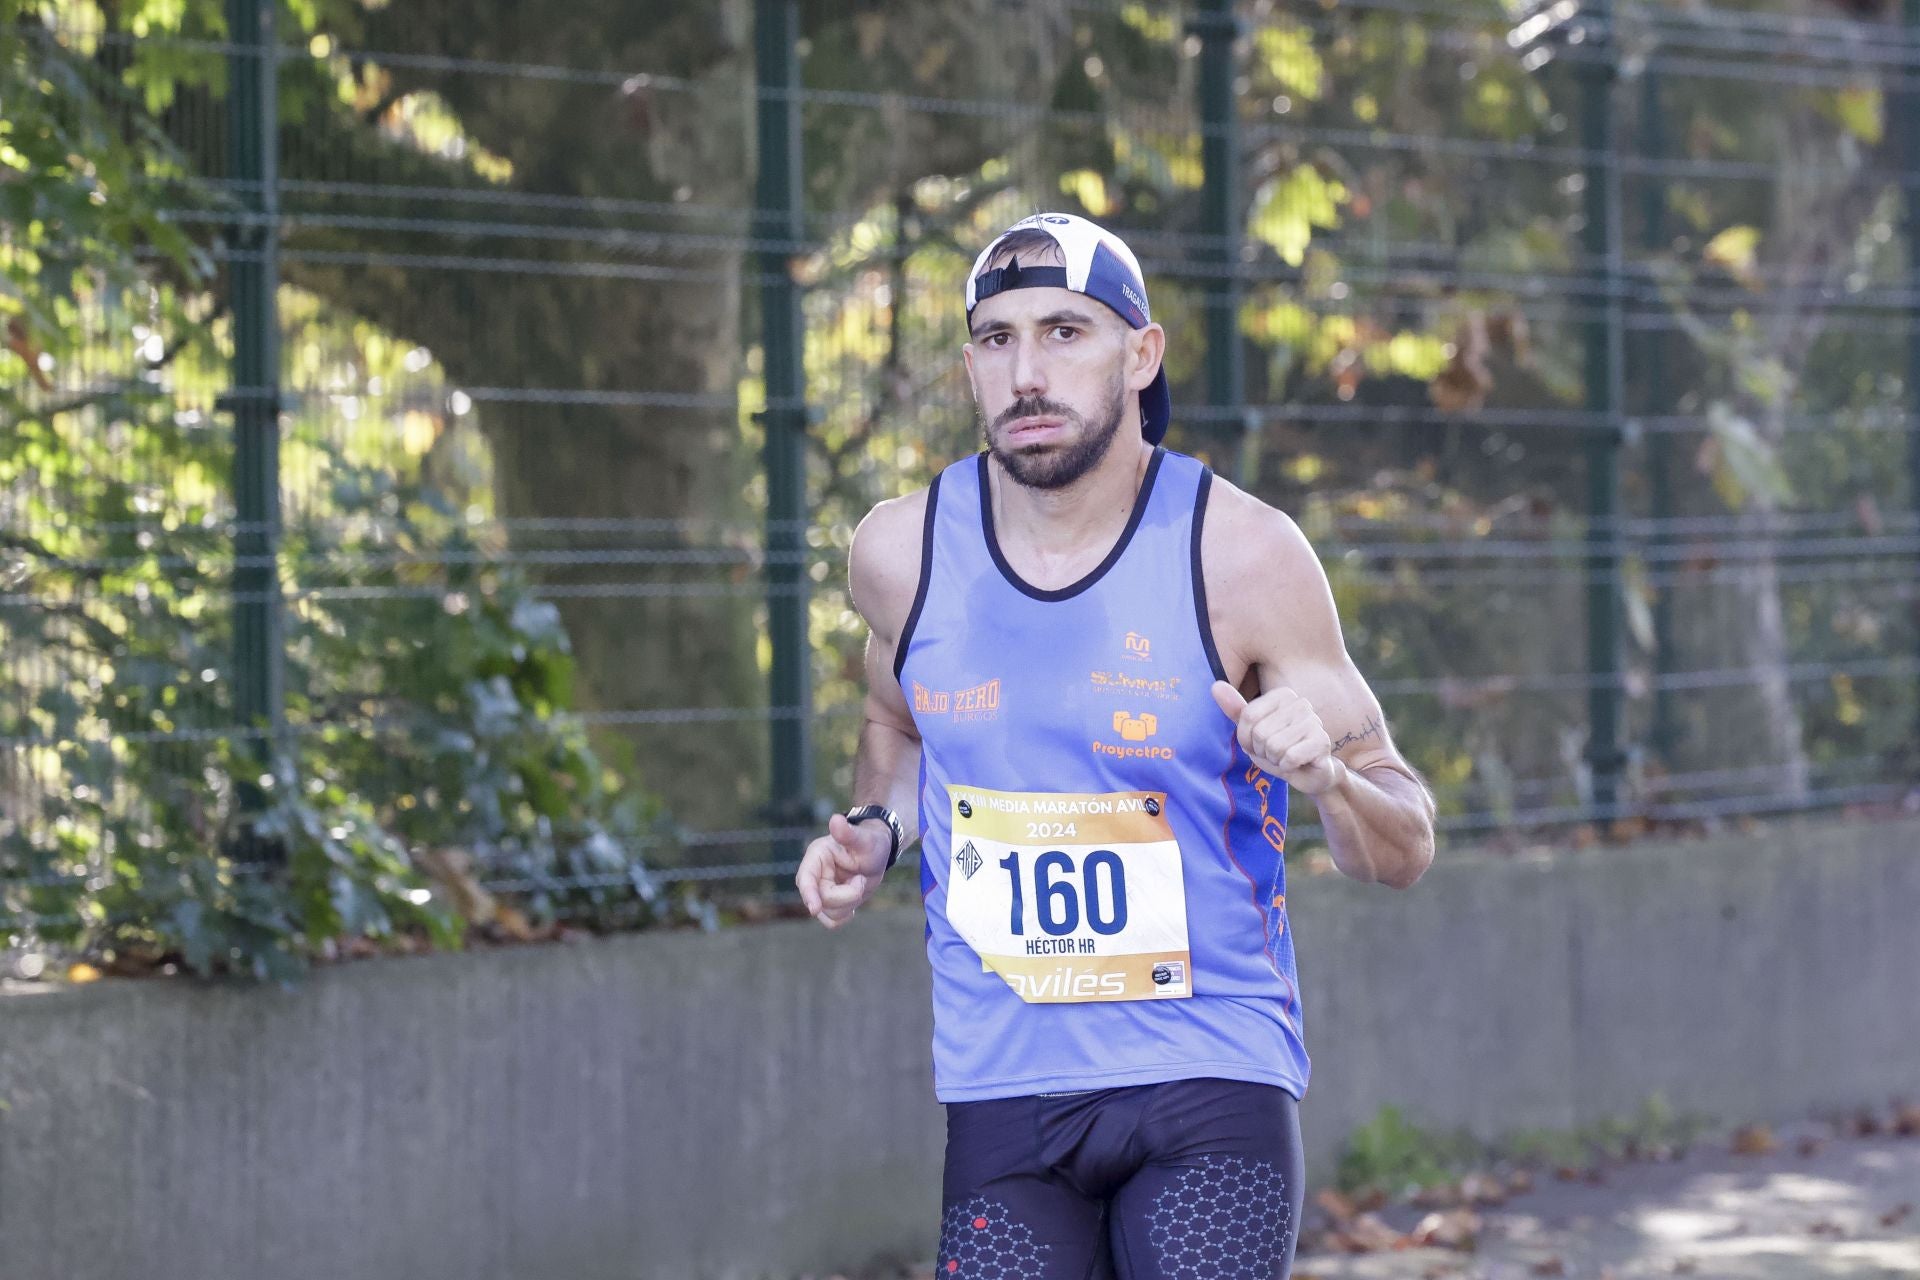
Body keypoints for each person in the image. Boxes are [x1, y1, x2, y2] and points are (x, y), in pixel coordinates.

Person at [796, 211, 1436, 1278]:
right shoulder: (899, 552)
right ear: (968, 364)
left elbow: (1404, 842)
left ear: (1142, 355)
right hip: (1003, 1088)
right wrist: (876, 828)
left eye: (1064, 332)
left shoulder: (1242, 554)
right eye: (996, 339)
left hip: (1207, 1078)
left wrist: (1326, 779)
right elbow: (899, 725)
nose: (1026, 373)